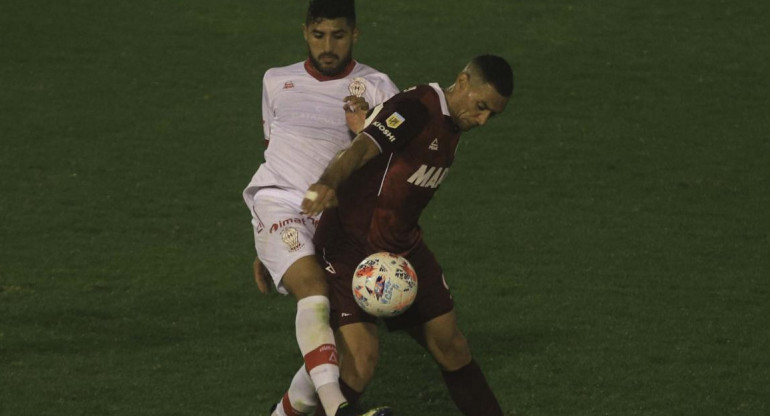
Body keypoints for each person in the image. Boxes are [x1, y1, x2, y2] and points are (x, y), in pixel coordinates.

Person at [301, 55, 514, 416]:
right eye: (481, 107)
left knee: (452, 346)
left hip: (401, 246)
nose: (482, 120)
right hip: (350, 247)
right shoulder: (417, 107)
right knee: (360, 361)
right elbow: (362, 147)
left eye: (492, 114)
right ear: (462, 82)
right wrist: (327, 183)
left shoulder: (452, 125)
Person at [241, 1, 399, 415]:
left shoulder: (379, 87)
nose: (328, 46)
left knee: (358, 356)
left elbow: (393, 172)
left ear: (356, 35)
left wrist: (363, 134)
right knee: (312, 291)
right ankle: (337, 410)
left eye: (339, 35)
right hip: (280, 201)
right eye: (318, 35)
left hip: (340, 220)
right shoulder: (276, 81)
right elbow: (272, 151)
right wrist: (265, 247)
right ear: (305, 32)